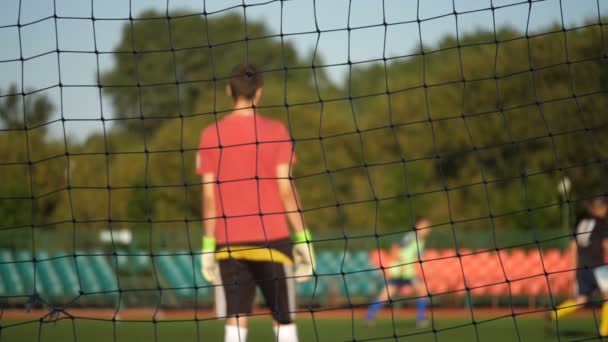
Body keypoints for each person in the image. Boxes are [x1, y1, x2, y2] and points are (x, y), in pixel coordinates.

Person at [196, 63, 315, 342]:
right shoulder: (276, 131)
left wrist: (207, 246)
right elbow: (286, 190)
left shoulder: (210, 134)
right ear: (259, 92)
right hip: (272, 241)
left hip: (229, 245)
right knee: (284, 320)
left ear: (229, 90)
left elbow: (209, 196)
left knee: (235, 321)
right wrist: (304, 237)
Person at [545, 197, 608, 336]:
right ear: (599, 208)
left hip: (582, 267)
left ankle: (554, 314)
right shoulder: (601, 223)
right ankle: (604, 331)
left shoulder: (580, 223)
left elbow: (573, 246)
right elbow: (605, 244)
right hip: (598, 266)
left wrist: (573, 269)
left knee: (581, 300)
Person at [366, 217, 431, 327]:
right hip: (399, 271)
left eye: (428, 227)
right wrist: (401, 263)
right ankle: (369, 317)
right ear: (417, 226)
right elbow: (394, 248)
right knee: (387, 295)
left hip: (408, 273)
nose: (427, 229)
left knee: (421, 290)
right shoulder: (411, 237)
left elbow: (417, 256)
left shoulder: (421, 241)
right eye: (425, 226)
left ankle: (369, 317)